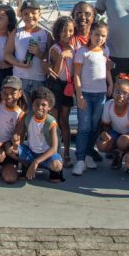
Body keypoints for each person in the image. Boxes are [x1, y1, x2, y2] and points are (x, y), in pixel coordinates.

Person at [72, 22, 113, 176]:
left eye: (103, 35)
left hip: (100, 94)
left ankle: (88, 153)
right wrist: (80, 95)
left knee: (95, 127)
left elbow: (106, 68)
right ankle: (80, 159)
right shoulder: (82, 52)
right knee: (84, 128)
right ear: (90, 34)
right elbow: (76, 74)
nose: (100, 38)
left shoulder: (105, 50)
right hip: (86, 95)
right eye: (97, 34)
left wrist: (110, 82)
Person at [11, 86, 64, 183]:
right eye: (37, 104)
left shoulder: (51, 122)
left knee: (57, 165)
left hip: (47, 154)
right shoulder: (27, 117)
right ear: (32, 105)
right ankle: (26, 165)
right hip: (31, 152)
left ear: (49, 107)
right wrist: (16, 139)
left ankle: (52, 170)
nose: (40, 107)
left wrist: (36, 161)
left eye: (44, 105)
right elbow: (18, 133)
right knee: (11, 149)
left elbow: (54, 148)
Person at [97, 74, 129, 173]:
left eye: (125, 93)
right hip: (116, 132)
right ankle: (117, 154)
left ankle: (126, 154)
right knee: (101, 144)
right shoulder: (109, 105)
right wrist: (104, 133)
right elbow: (105, 125)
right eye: (117, 91)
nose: (120, 95)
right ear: (113, 92)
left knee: (122, 141)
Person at [4, 0, 51, 102]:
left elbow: (50, 58)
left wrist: (39, 53)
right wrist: (19, 63)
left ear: (39, 14)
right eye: (26, 13)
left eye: (34, 13)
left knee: (35, 112)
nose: (30, 16)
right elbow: (7, 54)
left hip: (39, 80)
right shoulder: (16, 32)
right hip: (19, 80)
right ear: (21, 15)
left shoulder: (46, 34)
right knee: (21, 112)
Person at [45, 16, 76, 169]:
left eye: (70, 30)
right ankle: (54, 152)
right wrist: (62, 57)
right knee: (55, 121)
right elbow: (55, 73)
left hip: (68, 86)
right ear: (58, 32)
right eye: (64, 31)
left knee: (65, 121)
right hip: (56, 86)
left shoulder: (74, 47)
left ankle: (67, 153)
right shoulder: (55, 49)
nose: (67, 34)